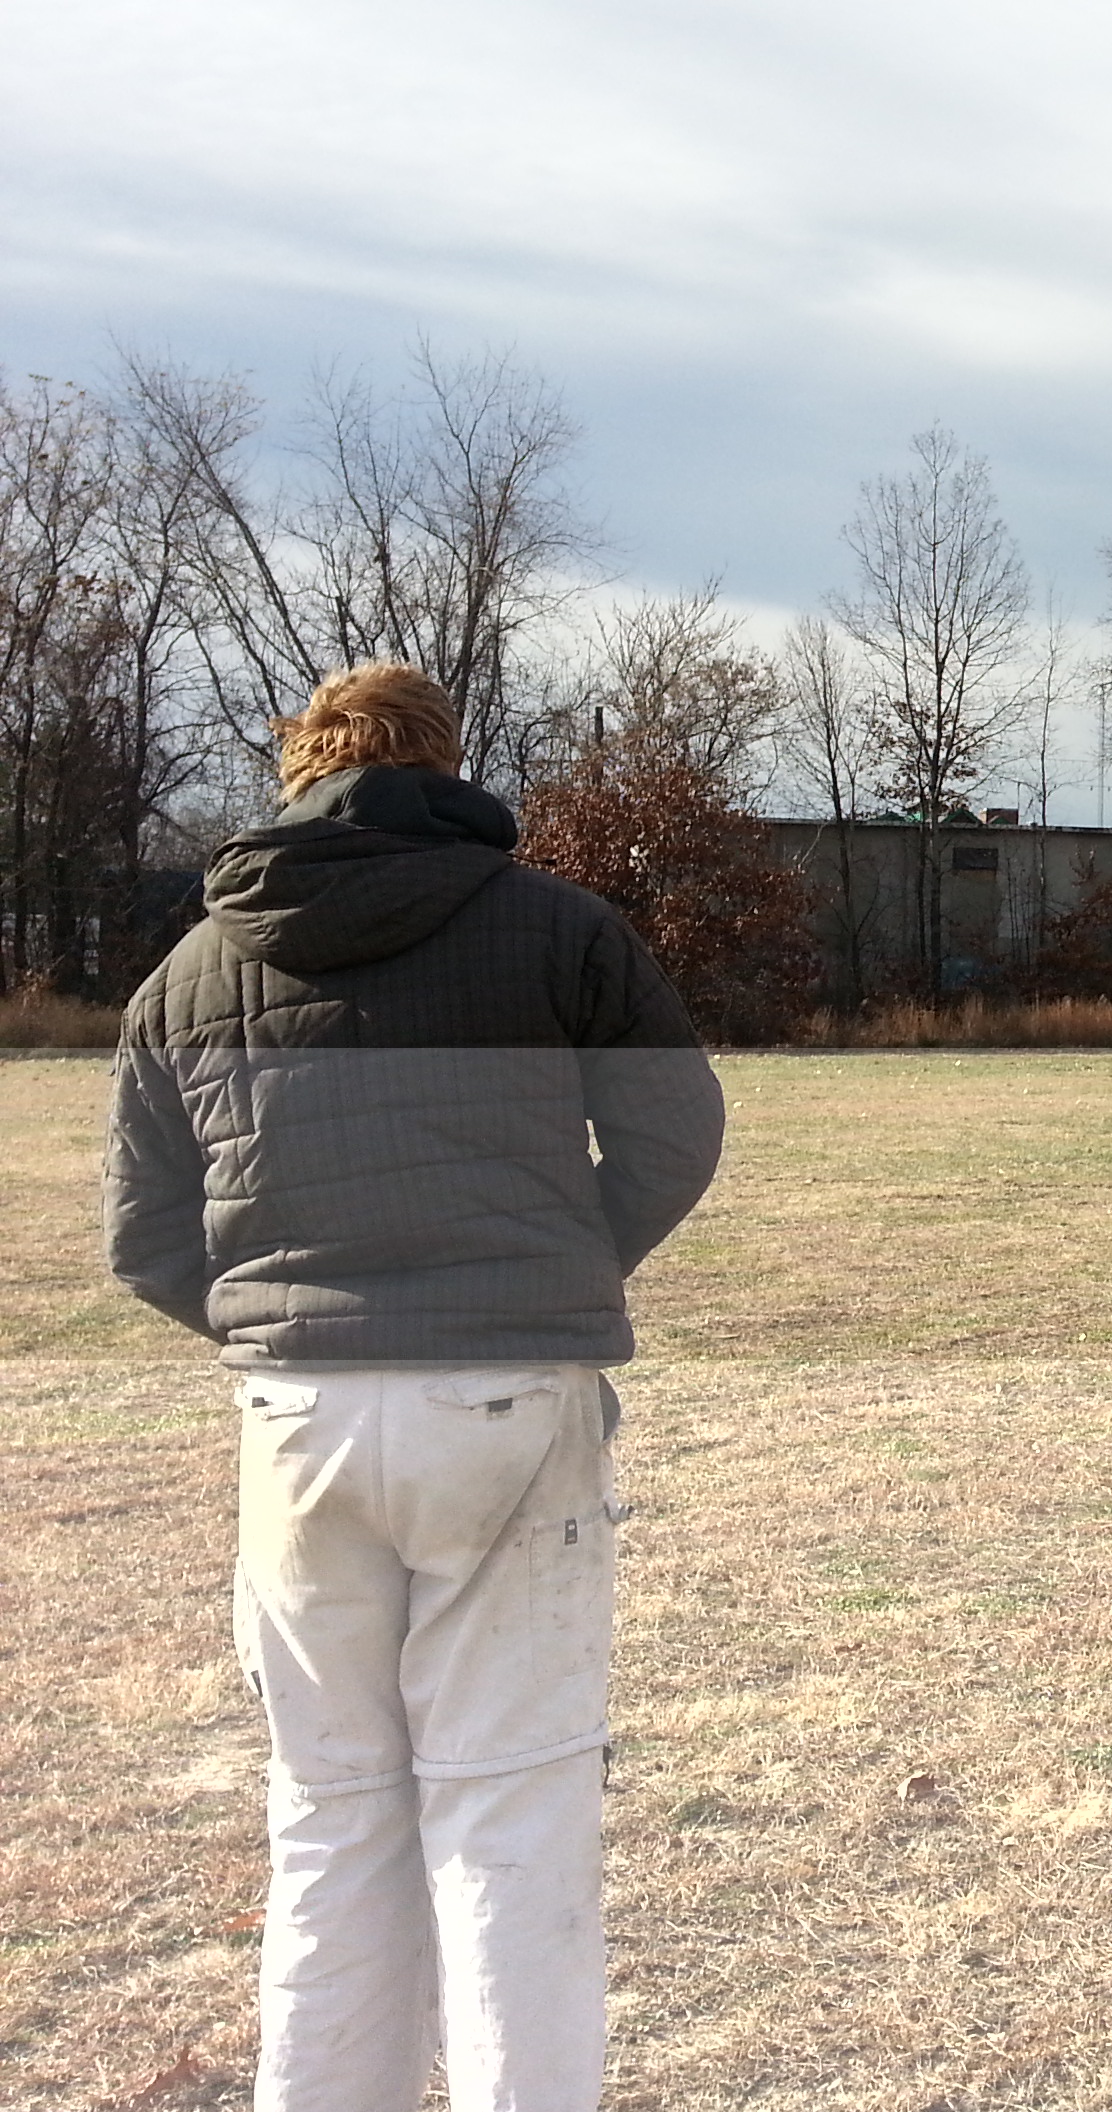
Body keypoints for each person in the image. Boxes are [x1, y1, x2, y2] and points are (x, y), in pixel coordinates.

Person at [105, 662, 726, 2112]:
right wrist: (551, 1273)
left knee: (329, 1817)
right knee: (511, 1818)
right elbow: (674, 1129)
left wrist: (285, 1325)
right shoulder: (557, 928)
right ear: (444, 767)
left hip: (295, 1420)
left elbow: (145, 1236)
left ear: (300, 768)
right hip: (508, 1398)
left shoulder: (190, 969)